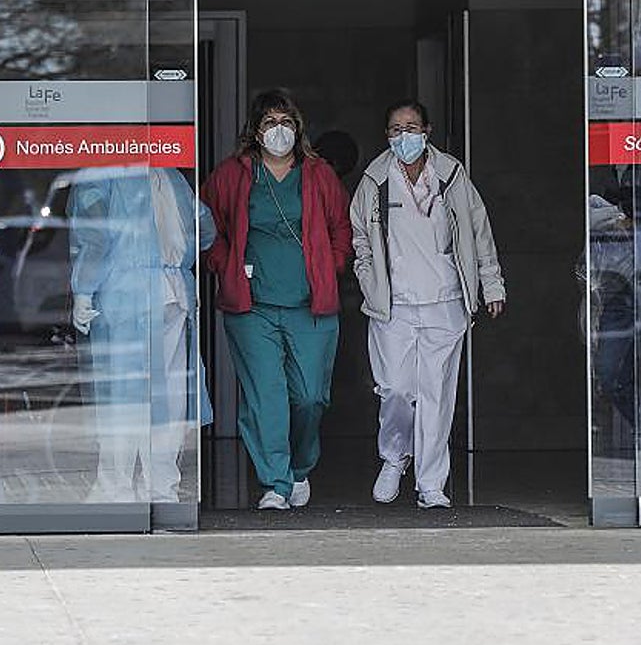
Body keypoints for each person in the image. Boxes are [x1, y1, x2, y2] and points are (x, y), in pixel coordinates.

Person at [350, 99, 505, 509]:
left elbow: (478, 229)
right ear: (387, 135)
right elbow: (360, 239)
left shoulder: (451, 173)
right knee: (396, 389)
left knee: (437, 394)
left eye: (412, 127)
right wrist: (368, 280)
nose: (405, 135)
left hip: (446, 301)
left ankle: (431, 483)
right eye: (396, 129)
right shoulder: (374, 179)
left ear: (427, 131)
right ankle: (395, 456)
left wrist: (491, 285)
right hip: (393, 305)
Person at [201, 89, 351, 511]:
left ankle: (301, 467)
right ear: (255, 130)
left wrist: (332, 264)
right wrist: (223, 263)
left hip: (311, 304)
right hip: (253, 308)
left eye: (286, 122)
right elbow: (205, 222)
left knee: (309, 396)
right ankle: (276, 483)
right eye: (270, 123)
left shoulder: (318, 175)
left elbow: (342, 227)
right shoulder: (233, 174)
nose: (279, 131)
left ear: (298, 128)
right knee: (266, 394)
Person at [70, 167, 215, 503]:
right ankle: (162, 487)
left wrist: (83, 290)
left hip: (126, 295)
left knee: (123, 396)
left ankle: (115, 487)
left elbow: (95, 238)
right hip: (174, 292)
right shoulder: (172, 175)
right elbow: (205, 228)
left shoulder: (101, 174)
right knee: (171, 394)